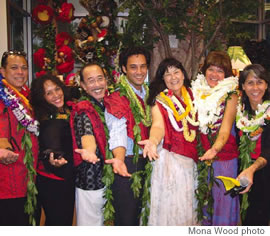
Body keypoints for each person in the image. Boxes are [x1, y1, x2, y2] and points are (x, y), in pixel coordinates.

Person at [138, 58, 199, 225]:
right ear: (162, 79)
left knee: (188, 206)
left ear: (183, 74)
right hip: (170, 162)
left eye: (176, 72)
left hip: (191, 160)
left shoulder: (195, 95)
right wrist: (152, 140)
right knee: (171, 208)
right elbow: (158, 125)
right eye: (167, 74)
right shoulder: (159, 100)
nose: (173, 77)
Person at [104, 47, 151, 226]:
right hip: (128, 161)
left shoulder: (149, 93)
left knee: (142, 215)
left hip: (147, 161)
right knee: (127, 218)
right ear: (123, 68)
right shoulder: (117, 97)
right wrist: (119, 159)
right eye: (133, 67)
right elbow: (117, 130)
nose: (139, 72)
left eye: (143, 66)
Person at [191, 51, 240, 225]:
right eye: (211, 69)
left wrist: (215, 149)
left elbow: (225, 130)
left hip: (224, 156)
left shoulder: (231, 95)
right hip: (202, 157)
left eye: (220, 71)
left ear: (226, 75)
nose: (214, 75)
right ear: (204, 71)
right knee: (204, 202)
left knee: (223, 203)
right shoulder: (196, 91)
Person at [30, 74, 75, 226]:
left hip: (61, 178)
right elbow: (52, 143)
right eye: (49, 93)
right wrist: (56, 157)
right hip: (54, 181)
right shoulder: (49, 119)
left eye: (57, 89)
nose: (56, 95)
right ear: (41, 98)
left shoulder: (65, 110)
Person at [0, 50, 39, 226]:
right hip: (8, 179)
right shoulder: (3, 96)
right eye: (14, 68)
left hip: (28, 178)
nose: (20, 72)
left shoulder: (26, 95)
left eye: (24, 68)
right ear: (2, 71)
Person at [69, 63, 108, 225]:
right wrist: (88, 151)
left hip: (105, 176)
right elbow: (87, 134)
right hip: (90, 179)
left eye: (100, 79)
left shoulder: (106, 105)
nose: (97, 84)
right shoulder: (83, 109)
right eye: (91, 81)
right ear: (84, 86)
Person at [236, 64, 270, 225]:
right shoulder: (239, 112)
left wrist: (252, 169)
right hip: (244, 173)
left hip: (264, 172)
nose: (255, 88)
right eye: (250, 83)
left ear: (266, 85)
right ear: (243, 86)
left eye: (260, 82)